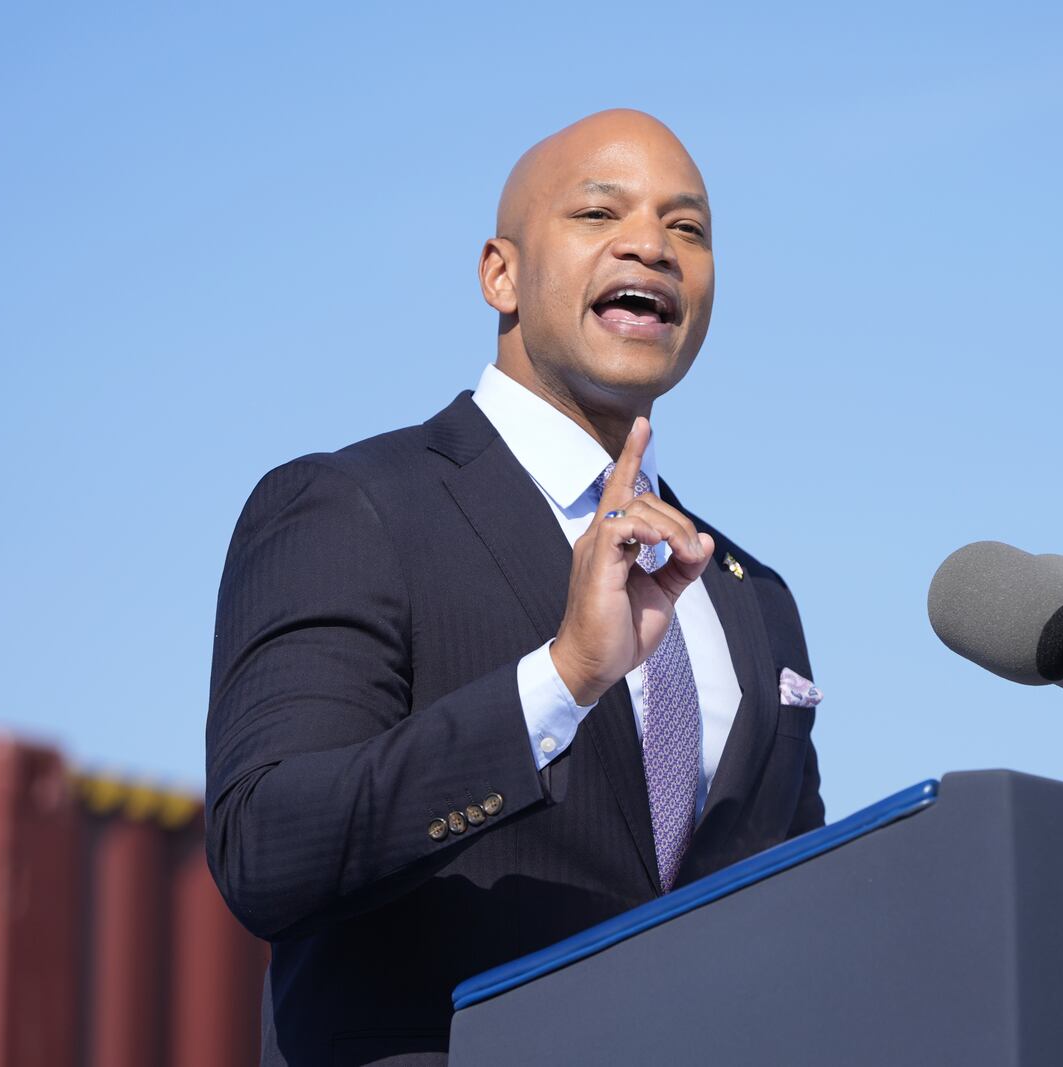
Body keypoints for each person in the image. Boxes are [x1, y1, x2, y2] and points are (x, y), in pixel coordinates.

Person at [205, 109, 825, 1067]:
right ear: (500, 273)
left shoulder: (752, 598)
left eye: (688, 228)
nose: (651, 246)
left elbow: (806, 927)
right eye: (597, 213)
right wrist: (564, 679)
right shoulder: (352, 506)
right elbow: (267, 848)